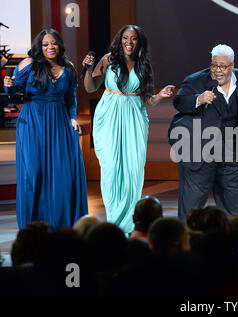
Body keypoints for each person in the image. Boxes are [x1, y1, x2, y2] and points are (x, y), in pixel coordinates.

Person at [81, 25, 175, 235]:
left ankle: (130, 224)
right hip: (109, 118)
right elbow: (90, 87)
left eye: (133, 39)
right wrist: (88, 68)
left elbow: (146, 100)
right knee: (112, 170)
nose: (129, 42)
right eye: (125, 38)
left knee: (133, 171)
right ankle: (114, 223)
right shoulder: (108, 59)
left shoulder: (144, 66)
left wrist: (160, 96)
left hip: (134, 119)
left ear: (139, 42)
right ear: (119, 40)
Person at [168, 44, 238, 222]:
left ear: (232, 66)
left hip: (232, 153)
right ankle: (185, 244)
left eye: (223, 66)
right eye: (214, 65)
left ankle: (234, 246)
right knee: (191, 211)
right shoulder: (195, 80)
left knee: (235, 211)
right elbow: (179, 101)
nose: (218, 70)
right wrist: (198, 99)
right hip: (200, 151)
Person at [3, 28, 88, 229]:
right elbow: (14, 93)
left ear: (59, 45)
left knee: (62, 175)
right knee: (34, 173)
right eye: (45, 44)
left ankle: (61, 225)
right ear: (39, 47)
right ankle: (34, 227)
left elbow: (70, 98)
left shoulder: (68, 67)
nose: (50, 47)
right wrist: (8, 86)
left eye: (54, 43)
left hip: (60, 123)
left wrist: (73, 118)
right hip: (33, 123)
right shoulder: (28, 64)